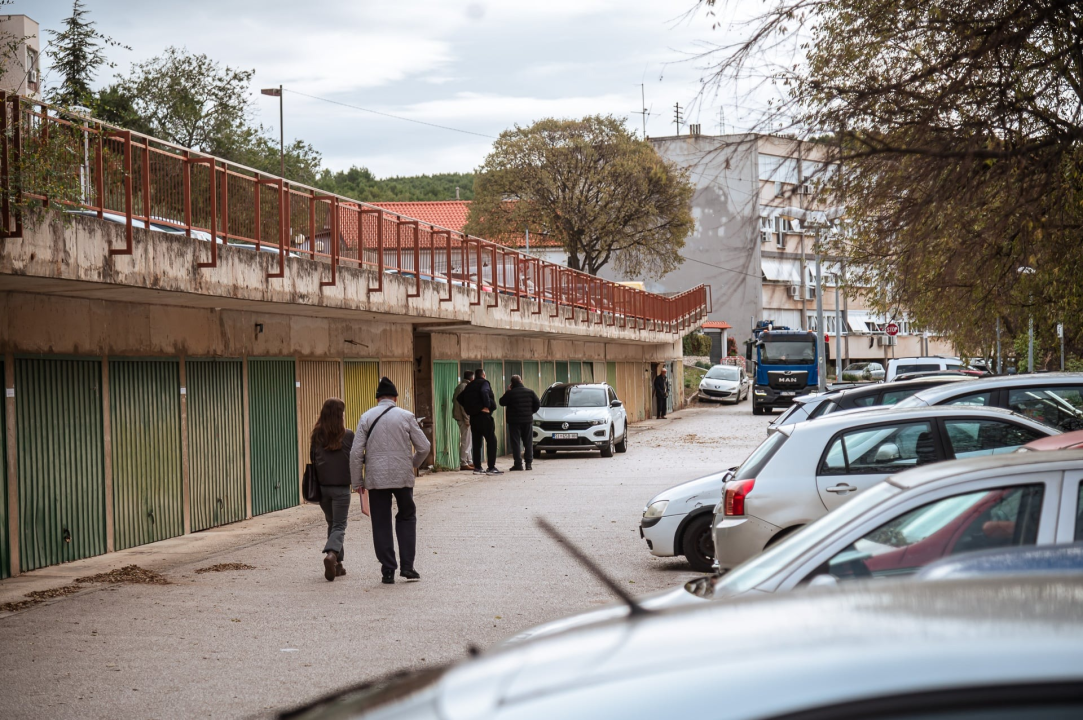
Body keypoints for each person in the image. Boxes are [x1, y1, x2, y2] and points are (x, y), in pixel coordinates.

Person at [349, 377, 431, 585]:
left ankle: (387, 571)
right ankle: (408, 567)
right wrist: (412, 463)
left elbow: (356, 453)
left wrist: (357, 481)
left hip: (376, 479)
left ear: (377, 399)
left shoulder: (366, 417)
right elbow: (424, 447)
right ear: (395, 397)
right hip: (402, 477)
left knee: (381, 522)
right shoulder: (406, 416)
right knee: (406, 516)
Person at [311, 398, 354, 582]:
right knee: (339, 525)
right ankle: (331, 555)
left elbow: (313, 459)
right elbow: (355, 458)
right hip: (341, 488)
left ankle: (337, 565)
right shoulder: (348, 435)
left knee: (332, 523)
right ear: (340, 415)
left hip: (323, 488)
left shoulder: (316, 435)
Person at [457, 368, 501, 475]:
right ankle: (491, 467)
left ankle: (477, 467)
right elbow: (484, 391)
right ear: (484, 375)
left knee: (476, 442)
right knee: (491, 440)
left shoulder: (469, 385)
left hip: (474, 417)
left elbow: (460, 398)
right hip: (484, 417)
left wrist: (470, 409)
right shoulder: (484, 383)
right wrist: (486, 406)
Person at [499, 374, 541, 471]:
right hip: (527, 421)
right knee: (528, 442)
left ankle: (518, 464)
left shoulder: (510, 393)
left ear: (512, 383)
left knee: (516, 443)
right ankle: (528, 464)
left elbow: (502, 402)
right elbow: (538, 403)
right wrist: (531, 412)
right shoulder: (530, 392)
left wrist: (508, 391)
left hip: (514, 421)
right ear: (521, 381)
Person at [452, 370, 474, 471]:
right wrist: (467, 419)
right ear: (471, 377)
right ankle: (464, 462)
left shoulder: (460, 386)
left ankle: (469, 461)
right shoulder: (464, 387)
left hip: (461, 417)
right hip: (463, 418)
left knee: (468, 440)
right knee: (466, 440)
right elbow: (463, 405)